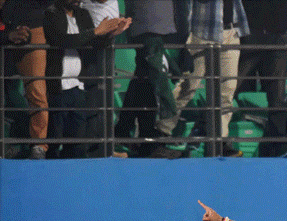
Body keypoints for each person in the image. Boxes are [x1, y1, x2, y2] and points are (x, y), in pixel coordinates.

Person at [43, 0, 129, 158]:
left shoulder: (83, 15)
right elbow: (62, 40)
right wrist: (95, 31)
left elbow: (94, 43)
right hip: (58, 88)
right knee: (54, 140)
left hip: (78, 87)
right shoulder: (51, 13)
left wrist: (111, 34)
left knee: (78, 144)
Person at [163, 0, 250, 158]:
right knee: (188, 86)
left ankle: (220, 140)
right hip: (201, 32)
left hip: (230, 31)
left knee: (228, 88)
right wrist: (185, 38)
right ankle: (162, 131)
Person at [112, 0, 183, 159]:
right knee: (148, 80)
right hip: (148, 23)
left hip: (151, 24)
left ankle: (131, 135)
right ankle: (144, 140)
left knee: (143, 80)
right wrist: (169, 108)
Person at [237, 0, 287, 157]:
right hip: (249, 32)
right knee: (231, 86)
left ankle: (277, 147)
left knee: (277, 97)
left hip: (278, 32)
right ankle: (220, 140)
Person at [1, 0, 51, 158]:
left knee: (37, 90)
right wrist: (8, 34)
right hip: (7, 33)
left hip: (33, 29)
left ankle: (39, 145)